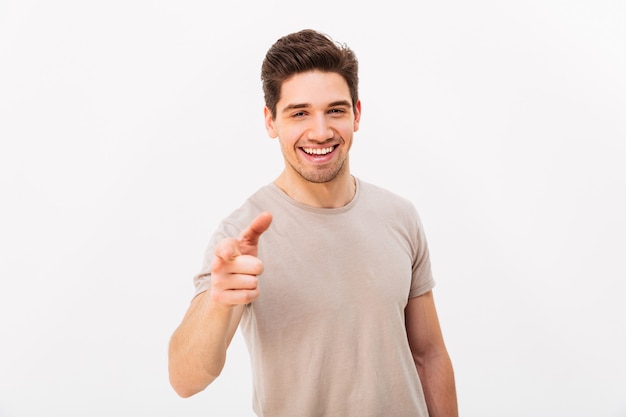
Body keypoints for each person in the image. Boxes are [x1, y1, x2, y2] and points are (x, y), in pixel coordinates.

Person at [168, 29, 458, 417]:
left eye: (335, 110)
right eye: (299, 112)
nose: (320, 132)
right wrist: (220, 301)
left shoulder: (399, 216)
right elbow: (184, 381)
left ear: (356, 114)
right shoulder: (240, 239)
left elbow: (429, 354)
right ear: (271, 121)